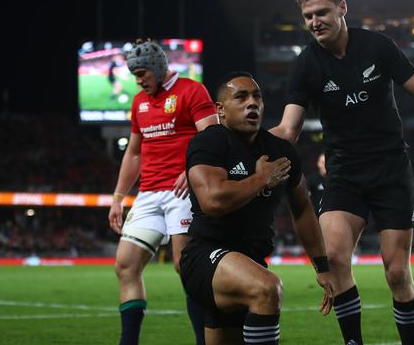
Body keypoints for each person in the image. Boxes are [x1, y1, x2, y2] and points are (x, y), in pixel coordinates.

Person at [270, 0, 414, 344]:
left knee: (396, 273)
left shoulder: (377, 45)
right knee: (336, 259)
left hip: (390, 170)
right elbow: (289, 129)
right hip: (344, 173)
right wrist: (241, 139)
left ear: (342, 8)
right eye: (307, 16)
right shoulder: (306, 64)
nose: (314, 21)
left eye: (321, 12)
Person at [180, 72, 335, 345]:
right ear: (220, 111)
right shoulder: (210, 142)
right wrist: (261, 179)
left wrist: (322, 266)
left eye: (257, 97)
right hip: (206, 257)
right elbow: (213, 201)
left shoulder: (280, 150)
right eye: (240, 97)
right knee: (267, 289)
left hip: (249, 261)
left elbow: (302, 209)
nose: (252, 103)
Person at [108, 39, 218, 345]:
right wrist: (118, 198)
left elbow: (213, 138)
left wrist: (192, 170)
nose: (138, 80)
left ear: (157, 67)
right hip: (148, 194)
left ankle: (204, 341)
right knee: (126, 265)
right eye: (135, 75)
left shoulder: (192, 91)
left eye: (141, 73)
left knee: (187, 268)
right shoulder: (139, 102)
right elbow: (133, 153)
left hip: (183, 192)